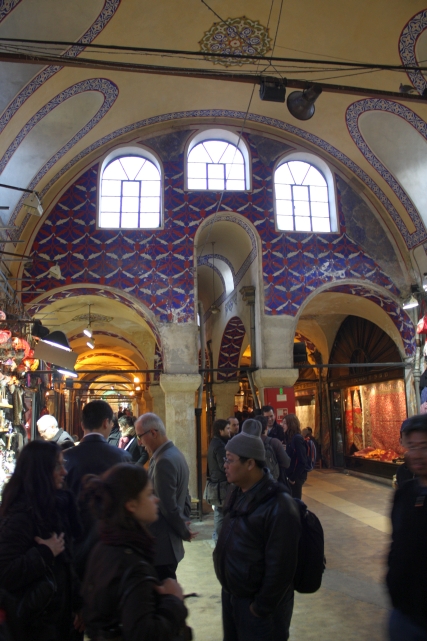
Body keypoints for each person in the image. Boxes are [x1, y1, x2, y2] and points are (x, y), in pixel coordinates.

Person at [82, 464, 188, 641]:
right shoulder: (132, 563)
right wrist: (173, 600)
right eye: (149, 494)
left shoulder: (105, 544)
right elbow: (145, 634)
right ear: (131, 505)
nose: (156, 500)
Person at [213, 426, 301, 641]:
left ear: (250, 463)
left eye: (230, 460)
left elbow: (282, 567)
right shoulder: (238, 491)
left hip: (258, 611)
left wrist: (260, 607)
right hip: (233, 598)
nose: (224, 465)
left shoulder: (279, 505)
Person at [0, 440, 82, 641]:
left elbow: (66, 567)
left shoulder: (55, 507)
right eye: (57, 466)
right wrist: (44, 553)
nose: (64, 472)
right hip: (33, 625)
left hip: (58, 618)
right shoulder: (22, 516)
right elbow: (5, 572)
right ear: (40, 471)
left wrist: (77, 604)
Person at [135, 413, 196, 581]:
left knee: (165, 589)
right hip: (167, 542)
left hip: (162, 544)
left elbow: (167, 506)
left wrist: (184, 530)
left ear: (153, 433)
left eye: (140, 436)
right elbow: (185, 495)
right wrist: (184, 519)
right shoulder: (173, 453)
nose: (139, 442)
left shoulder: (164, 461)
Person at [387, 414, 427, 640]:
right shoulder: (404, 494)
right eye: (412, 446)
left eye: (424, 446)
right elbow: (397, 543)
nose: (417, 454)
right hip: (404, 614)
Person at [64, 400, 132, 498]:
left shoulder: (66, 457)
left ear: (82, 425)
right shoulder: (123, 457)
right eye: (111, 423)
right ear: (106, 423)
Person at [207, 419, 231, 539]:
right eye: (227, 428)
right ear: (221, 431)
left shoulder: (215, 442)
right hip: (220, 485)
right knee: (220, 513)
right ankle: (219, 539)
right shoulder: (219, 445)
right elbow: (223, 465)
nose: (229, 431)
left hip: (218, 484)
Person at [253, 416, 291, 486]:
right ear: (266, 427)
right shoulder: (274, 442)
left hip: (254, 482)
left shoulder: (248, 442)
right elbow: (286, 463)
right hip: (272, 482)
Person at [283, 414, 307, 499]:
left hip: (296, 476)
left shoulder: (297, 438)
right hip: (291, 475)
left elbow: (302, 460)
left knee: (295, 501)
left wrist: (293, 478)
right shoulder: (290, 438)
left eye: (285, 423)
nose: (282, 425)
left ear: (291, 424)